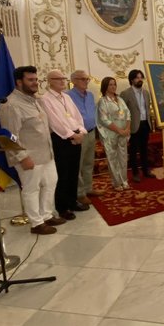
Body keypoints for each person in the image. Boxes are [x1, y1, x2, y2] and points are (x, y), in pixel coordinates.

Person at [0, 66, 66, 235]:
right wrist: (22, 157)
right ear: (19, 82)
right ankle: (36, 223)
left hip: (46, 153)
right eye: (30, 80)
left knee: (51, 183)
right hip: (29, 157)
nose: (35, 83)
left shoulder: (34, 100)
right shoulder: (11, 105)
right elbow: (10, 137)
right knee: (31, 189)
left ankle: (46, 215)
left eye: (36, 80)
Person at [41, 69, 88, 220]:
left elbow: (77, 116)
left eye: (63, 78)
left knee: (74, 171)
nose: (62, 81)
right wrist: (72, 135)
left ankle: (72, 201)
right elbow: (55, 123)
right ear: (50, 81)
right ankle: (62, 207)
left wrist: (81, 132)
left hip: (76, 135)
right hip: (61, 139)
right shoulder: (45, 99)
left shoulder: (66, 97)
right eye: (58, 78)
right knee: (63, 173)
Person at [68, 70, 101, 205]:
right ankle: (79, 193)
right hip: (78, 134)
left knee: (88, 163)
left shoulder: (90, 95)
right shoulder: (67, 96)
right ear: (74, 81)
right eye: (82, 79)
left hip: (91, 132)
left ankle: (88, 188)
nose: (86, 81)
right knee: (78, 165)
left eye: (87, 79)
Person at [120, 69, 156, 183]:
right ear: (132, 80)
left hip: (145, 124)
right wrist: (125, 127)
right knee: (133, 150)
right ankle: (135, 173)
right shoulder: (125, 93)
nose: (140, 79)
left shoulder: (146, 93)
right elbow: (122, 112)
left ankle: (146, 170)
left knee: (144, 149)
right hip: (133, 125)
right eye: (137, 77)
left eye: (141, 77)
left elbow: (147, 109)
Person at [97, 77, 131, 191]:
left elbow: (128, 114)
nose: (113, 86)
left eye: (114, 84)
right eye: (110, 84)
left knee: (123, 158)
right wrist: (119, 130)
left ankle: (124, 181)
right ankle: (116, 182)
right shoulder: (103, 101)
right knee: (113, 159)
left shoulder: (120, 99)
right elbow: (104, 120)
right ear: (105, 86)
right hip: (110, 134)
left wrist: (127, 129)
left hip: (123, 133)